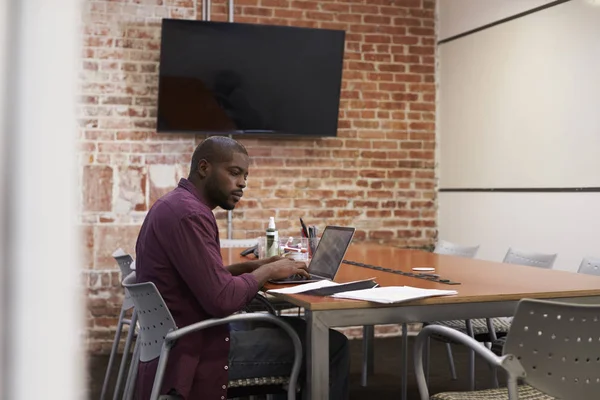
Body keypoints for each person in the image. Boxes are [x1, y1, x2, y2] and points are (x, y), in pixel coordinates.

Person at [134, 136, 350, 399]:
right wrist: (267, 272)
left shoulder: (176, 205)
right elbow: (222, 300)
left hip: (180, 338)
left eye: (245, 176)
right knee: (329, 344)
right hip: (198, 350)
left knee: (293, 330)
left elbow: (205, 278)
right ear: (204, 168)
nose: (243, 183)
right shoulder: (190, 215)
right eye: (234, 173)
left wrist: (255, 266)